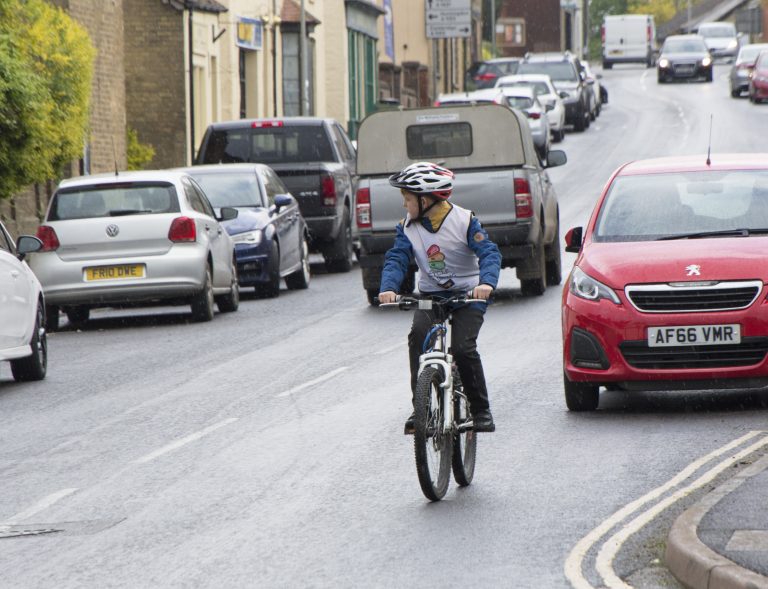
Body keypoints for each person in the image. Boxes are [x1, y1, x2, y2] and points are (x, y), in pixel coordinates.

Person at [378, 161, 502, 434]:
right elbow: (397, 258)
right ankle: (420, 408)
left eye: (407, 199)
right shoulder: (407, 226)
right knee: (418, 337)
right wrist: (389, 288)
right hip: (431, 294)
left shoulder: (464, 220)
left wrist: (486, 284)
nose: (404, 205)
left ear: (426, 200)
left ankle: (481, 411)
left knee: (462, 348)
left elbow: (489, 254)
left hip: (468, 294)